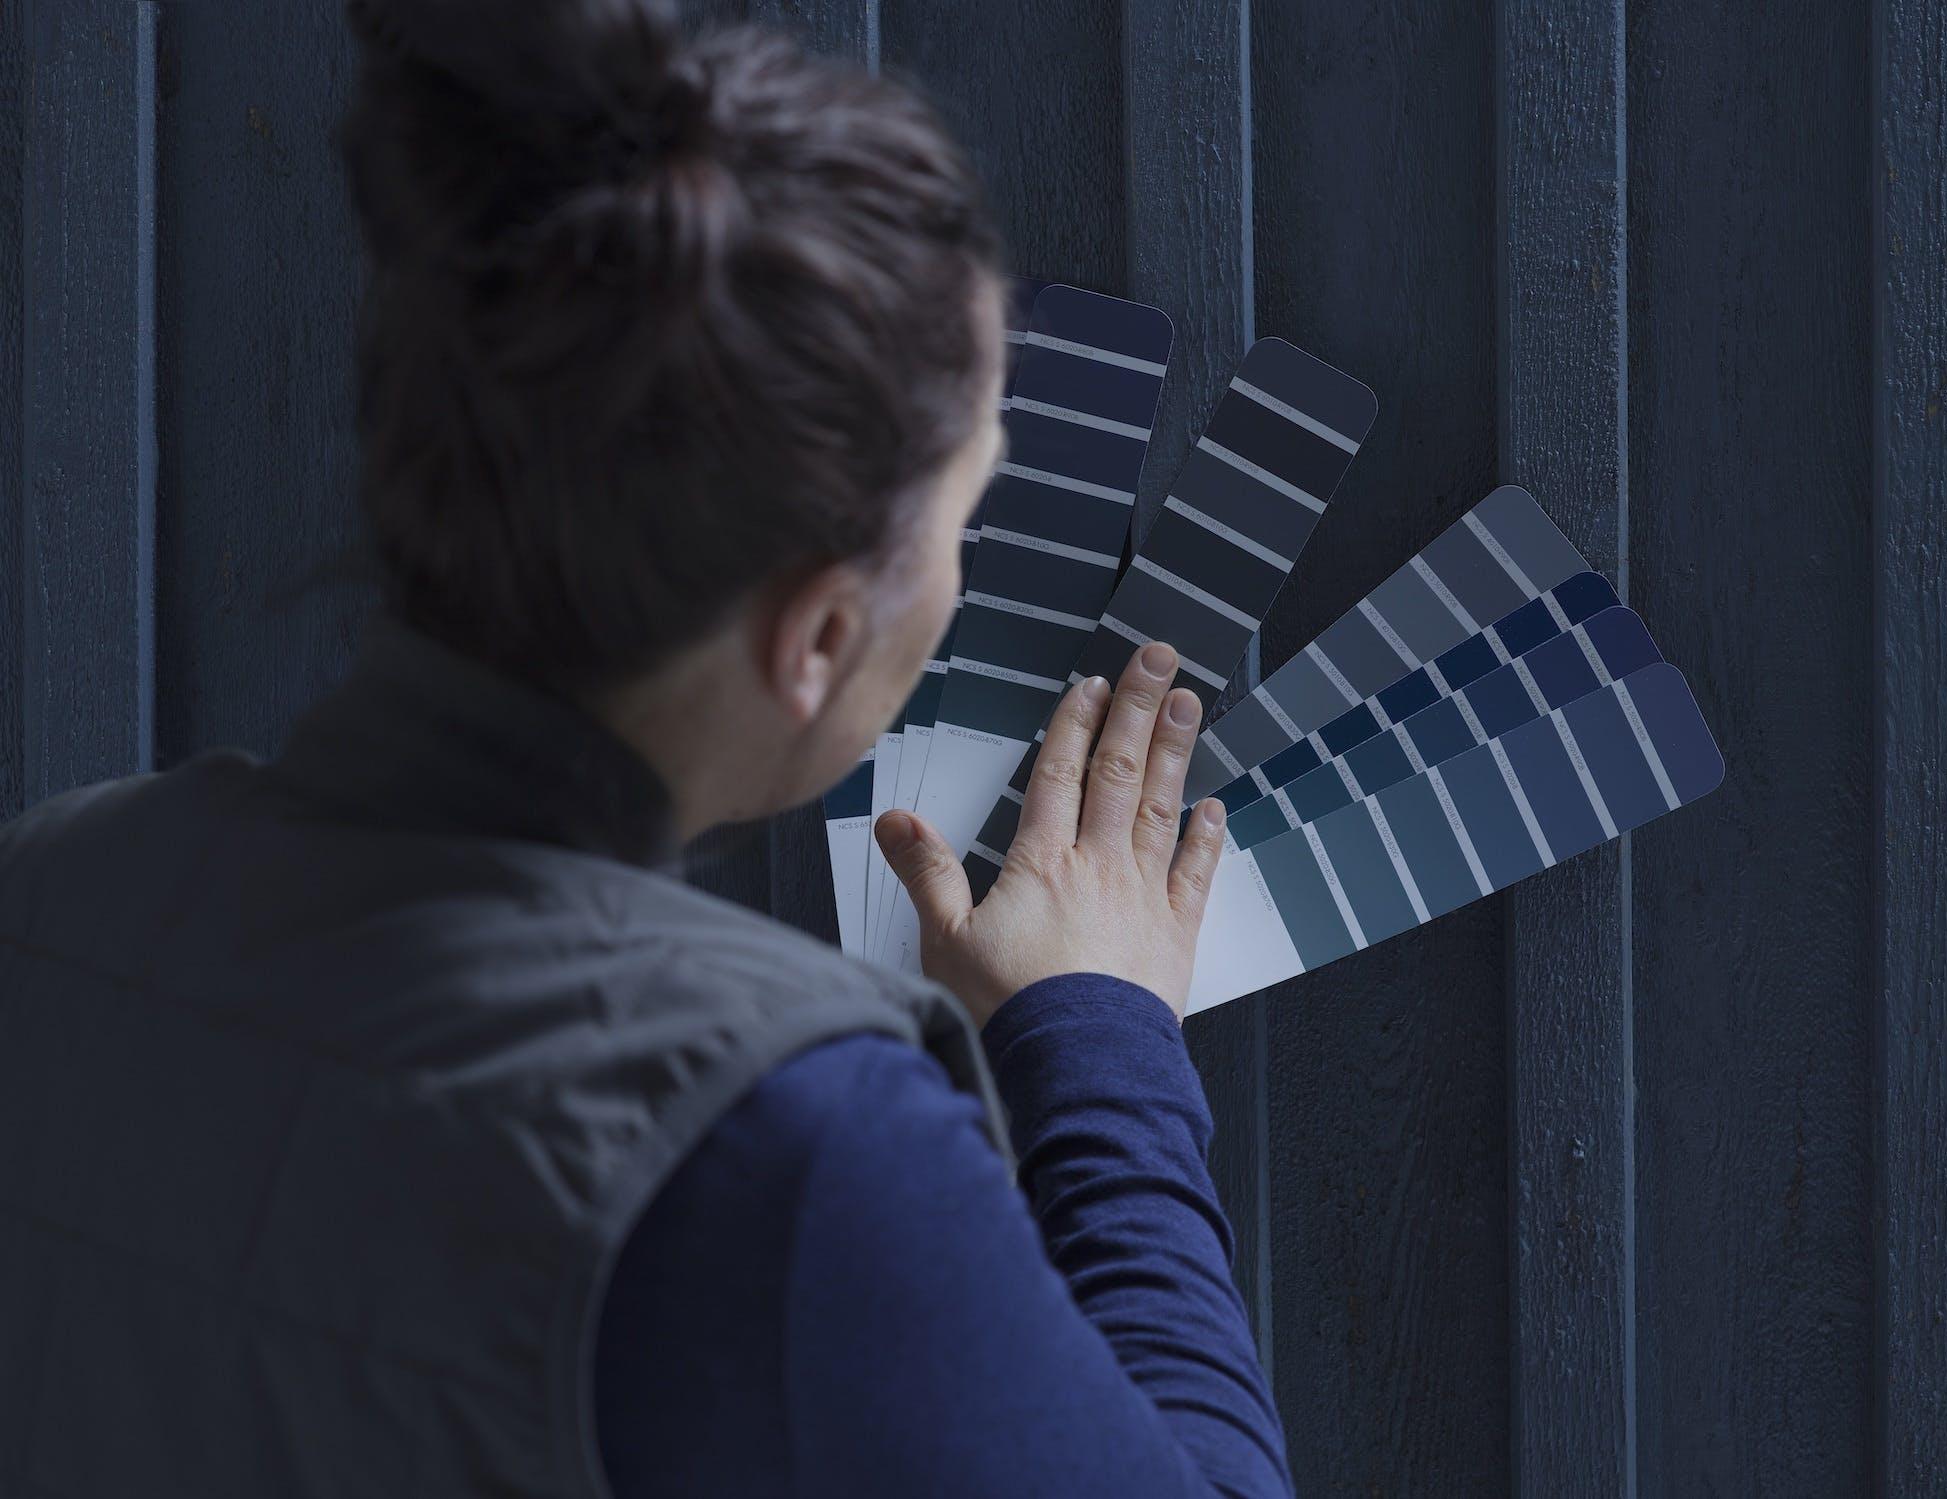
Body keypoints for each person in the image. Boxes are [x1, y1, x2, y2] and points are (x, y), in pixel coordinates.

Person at [0, 2, 1290, 1495]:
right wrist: (1097, 1034)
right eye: (964, 517)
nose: (957, 573)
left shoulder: (46, 892)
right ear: (814, 640)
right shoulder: (787, 1139)